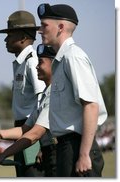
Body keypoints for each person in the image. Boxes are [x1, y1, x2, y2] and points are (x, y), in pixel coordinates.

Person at [36, 3, 108, 177]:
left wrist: (83, 155)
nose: (40, 30)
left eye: (45, 25)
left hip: (77, 147)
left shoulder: (73, 57)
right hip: (66, 147)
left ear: (60, 27)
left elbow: (91, 105)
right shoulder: (61, 60)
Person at [0, 44, 57, 177]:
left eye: (41, 62)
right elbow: (24, 129)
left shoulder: (56, 95)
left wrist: (4, 154)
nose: (37, 66)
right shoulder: (45, 96)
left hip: (57, 153)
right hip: (48, 152)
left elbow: (34, 134)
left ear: (54, 65)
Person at [0, 10, 46, 177]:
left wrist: (42, 144)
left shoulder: (33, 62)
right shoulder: (21, 61)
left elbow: (43, 101)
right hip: (22, 130)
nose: (5, 39)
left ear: (23, 38)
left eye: (10, 34)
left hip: (33, 132)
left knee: (33, 175)